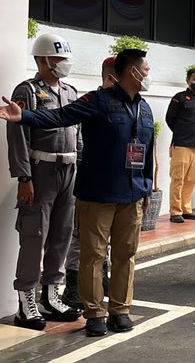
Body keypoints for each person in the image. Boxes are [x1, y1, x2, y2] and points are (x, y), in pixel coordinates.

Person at [1, 48, 155, 337]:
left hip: (132, 195)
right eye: (145, 70)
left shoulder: (144, 107)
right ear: (133, 72)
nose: (148, 74)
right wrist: (24, 117)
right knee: (93, 255)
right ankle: (95, 312)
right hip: (98, 194)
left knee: (126, 254)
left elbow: (147, 152)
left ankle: (120, 310)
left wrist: (147, 187)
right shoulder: (97, 101)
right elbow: (59, 116)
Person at [6, 33, 82, 329]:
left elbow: (79, 133)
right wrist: (24, 176)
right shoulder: (27, 91)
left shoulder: (71, 91)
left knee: (61, 235)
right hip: (41, 172)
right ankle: (26, 302)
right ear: (43, 60)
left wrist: (82, 167)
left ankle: (51, 296)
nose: (64, 64)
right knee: (34, 236)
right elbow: (18, 137)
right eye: (60, 59)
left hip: (70, 170)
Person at [62, 56, 117, 310]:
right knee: (80, 234)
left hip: (115, 183)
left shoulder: (128, 103)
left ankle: (101, 279)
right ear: (111, 76)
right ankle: (73, 284)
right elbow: (78, 140)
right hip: (89, 179)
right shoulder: (91, 102)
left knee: (105, 237)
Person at [166, 68, 195, 223]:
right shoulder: (179, 98)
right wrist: (181, 133)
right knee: (178, 178)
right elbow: (170, 119)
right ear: (188, 80)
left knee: (190, 179)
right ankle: (175, 211)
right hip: (181, 145)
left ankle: (186, 209)